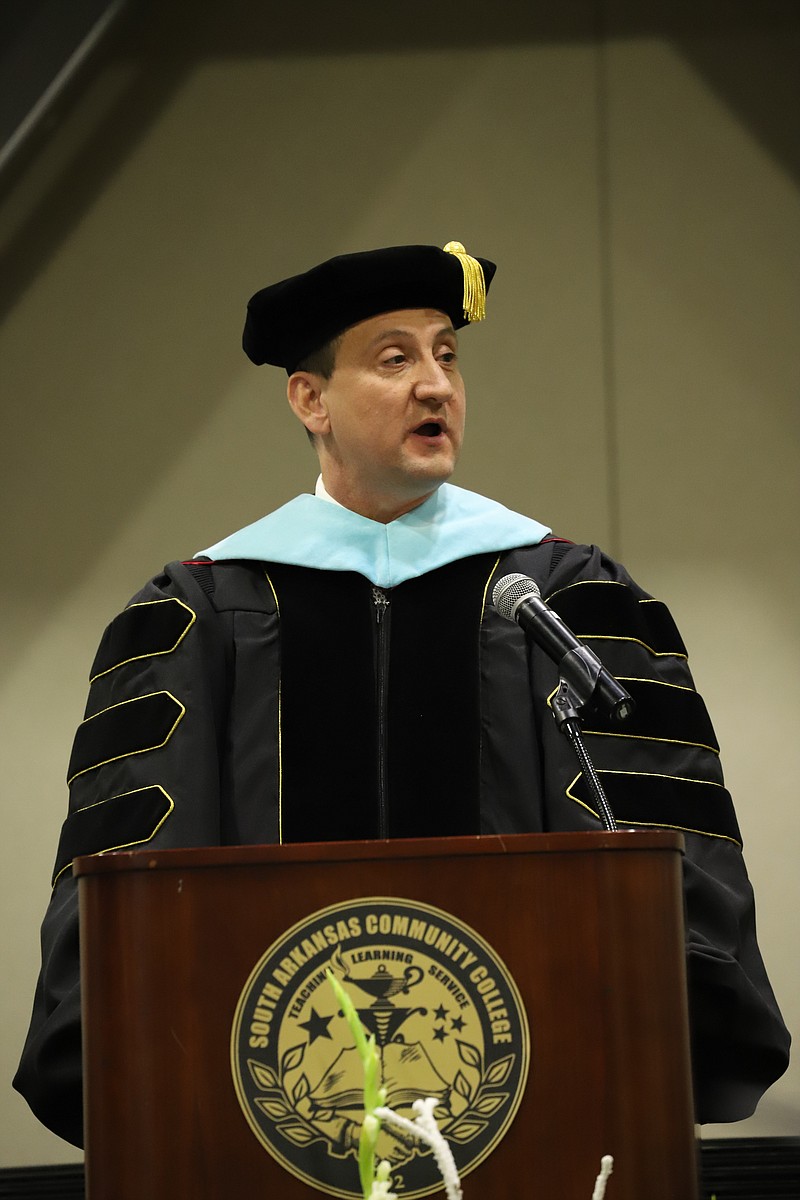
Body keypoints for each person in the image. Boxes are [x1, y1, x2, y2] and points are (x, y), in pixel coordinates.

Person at [14, 241, 789, 1148]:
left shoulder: (563, 596)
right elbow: (137, 898)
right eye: (396, 359)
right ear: (311, 400)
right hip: (269, 1121)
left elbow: (666, 846)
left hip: (536, 1106)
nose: (436, 386)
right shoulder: (201, 613)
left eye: (447, 356)